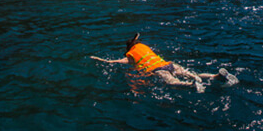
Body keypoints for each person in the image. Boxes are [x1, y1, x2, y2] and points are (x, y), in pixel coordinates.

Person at [90, 33, 237, 92]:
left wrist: (99, 59)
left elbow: (113, 61)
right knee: (193, 73)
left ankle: (192, 85)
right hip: (169, 64)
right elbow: (136, 38)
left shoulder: (130, 55)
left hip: (158, 69)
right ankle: (217, 76)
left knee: (172, 82)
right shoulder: (143, 46)